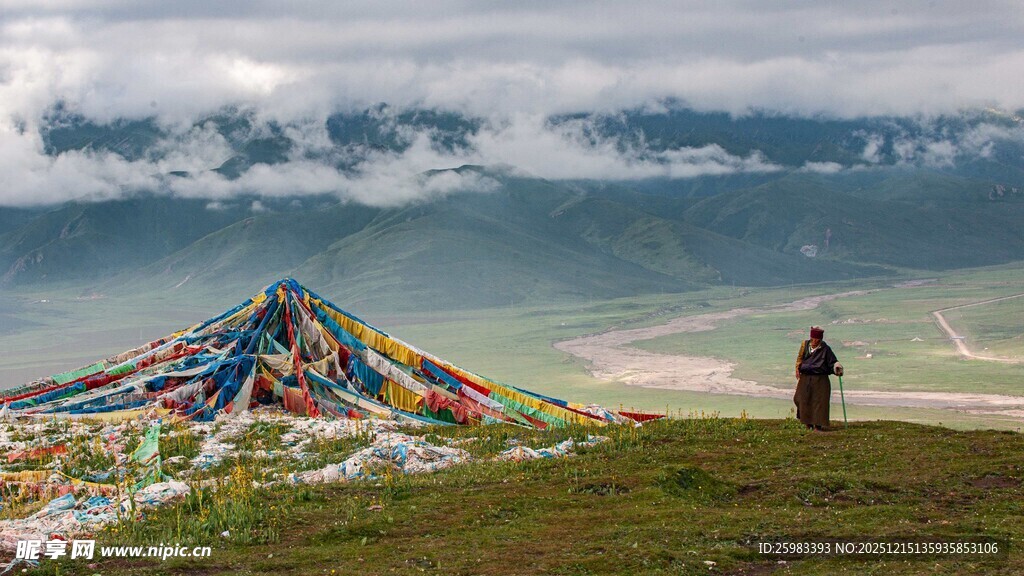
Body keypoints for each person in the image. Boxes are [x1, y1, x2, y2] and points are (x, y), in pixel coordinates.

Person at [794, 326, 843, 431]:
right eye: (812, 339)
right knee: (801, 399)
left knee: (819, 402)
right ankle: (807, 423)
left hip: (820, 379)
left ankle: (818, 426)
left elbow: (833, 362)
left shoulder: (825, 349)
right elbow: (800, 358)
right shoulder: (805, 346)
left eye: (816, 339)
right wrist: (798, 368)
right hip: (805, 378)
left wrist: (837, 367)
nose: (814, 341)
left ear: (820, 340)